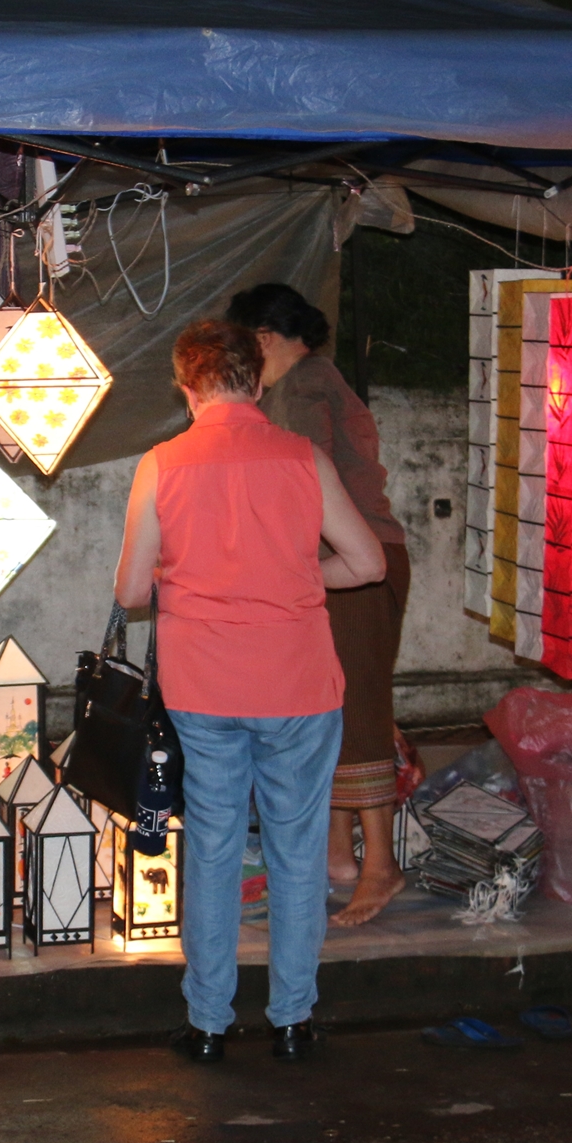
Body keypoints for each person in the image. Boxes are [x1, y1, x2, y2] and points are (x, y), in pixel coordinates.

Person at [114, 322, 386, 1064]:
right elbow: (366, 564)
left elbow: (134, 588)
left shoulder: (161, 464)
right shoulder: (303, 458)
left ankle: (208, 1024)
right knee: (298, 852)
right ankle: (293, 1021)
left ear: (186, 386)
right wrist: (297, 579)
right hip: (298, 686)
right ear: (257, 382)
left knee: (211, 847)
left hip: (203, 686)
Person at [232, 282, 412, 927]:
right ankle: (338, 855)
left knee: (357, 707)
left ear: (263, 339)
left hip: (352, 565)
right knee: (327, 703)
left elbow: (299, 478)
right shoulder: (309, 380)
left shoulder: (304, 386)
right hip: (339, 560)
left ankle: (380, 866)